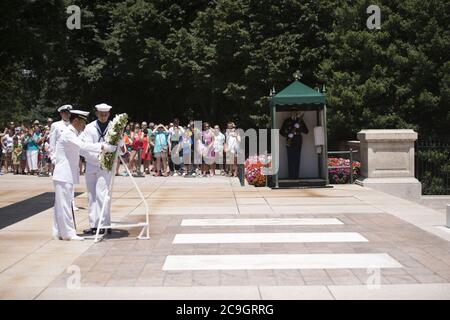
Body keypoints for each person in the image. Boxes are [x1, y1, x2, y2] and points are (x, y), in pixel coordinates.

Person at [52, 109, 116, 241]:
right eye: (82, 122)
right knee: (64, 205)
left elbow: (83, 143)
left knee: (61, 205)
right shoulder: (69, 134)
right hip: (64, 174)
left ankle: (59, 231)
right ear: (75, 121)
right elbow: (83, 146)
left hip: (64, 175)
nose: (84, 126)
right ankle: (68, 233)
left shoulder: (73, 133)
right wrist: (104, 146)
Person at [80, 103, 115, 235]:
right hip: (91, 163)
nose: (103, 117)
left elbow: (116, 145)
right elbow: (85, 146)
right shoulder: (89, 128)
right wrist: (100, 150)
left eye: (106, 114)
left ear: (109, 114)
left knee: (102, 193)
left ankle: (105, 224)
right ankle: (94, 224)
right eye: (101, 114)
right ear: (97, 114)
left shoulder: (114, 127)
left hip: (105, 165)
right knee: (91, 195)